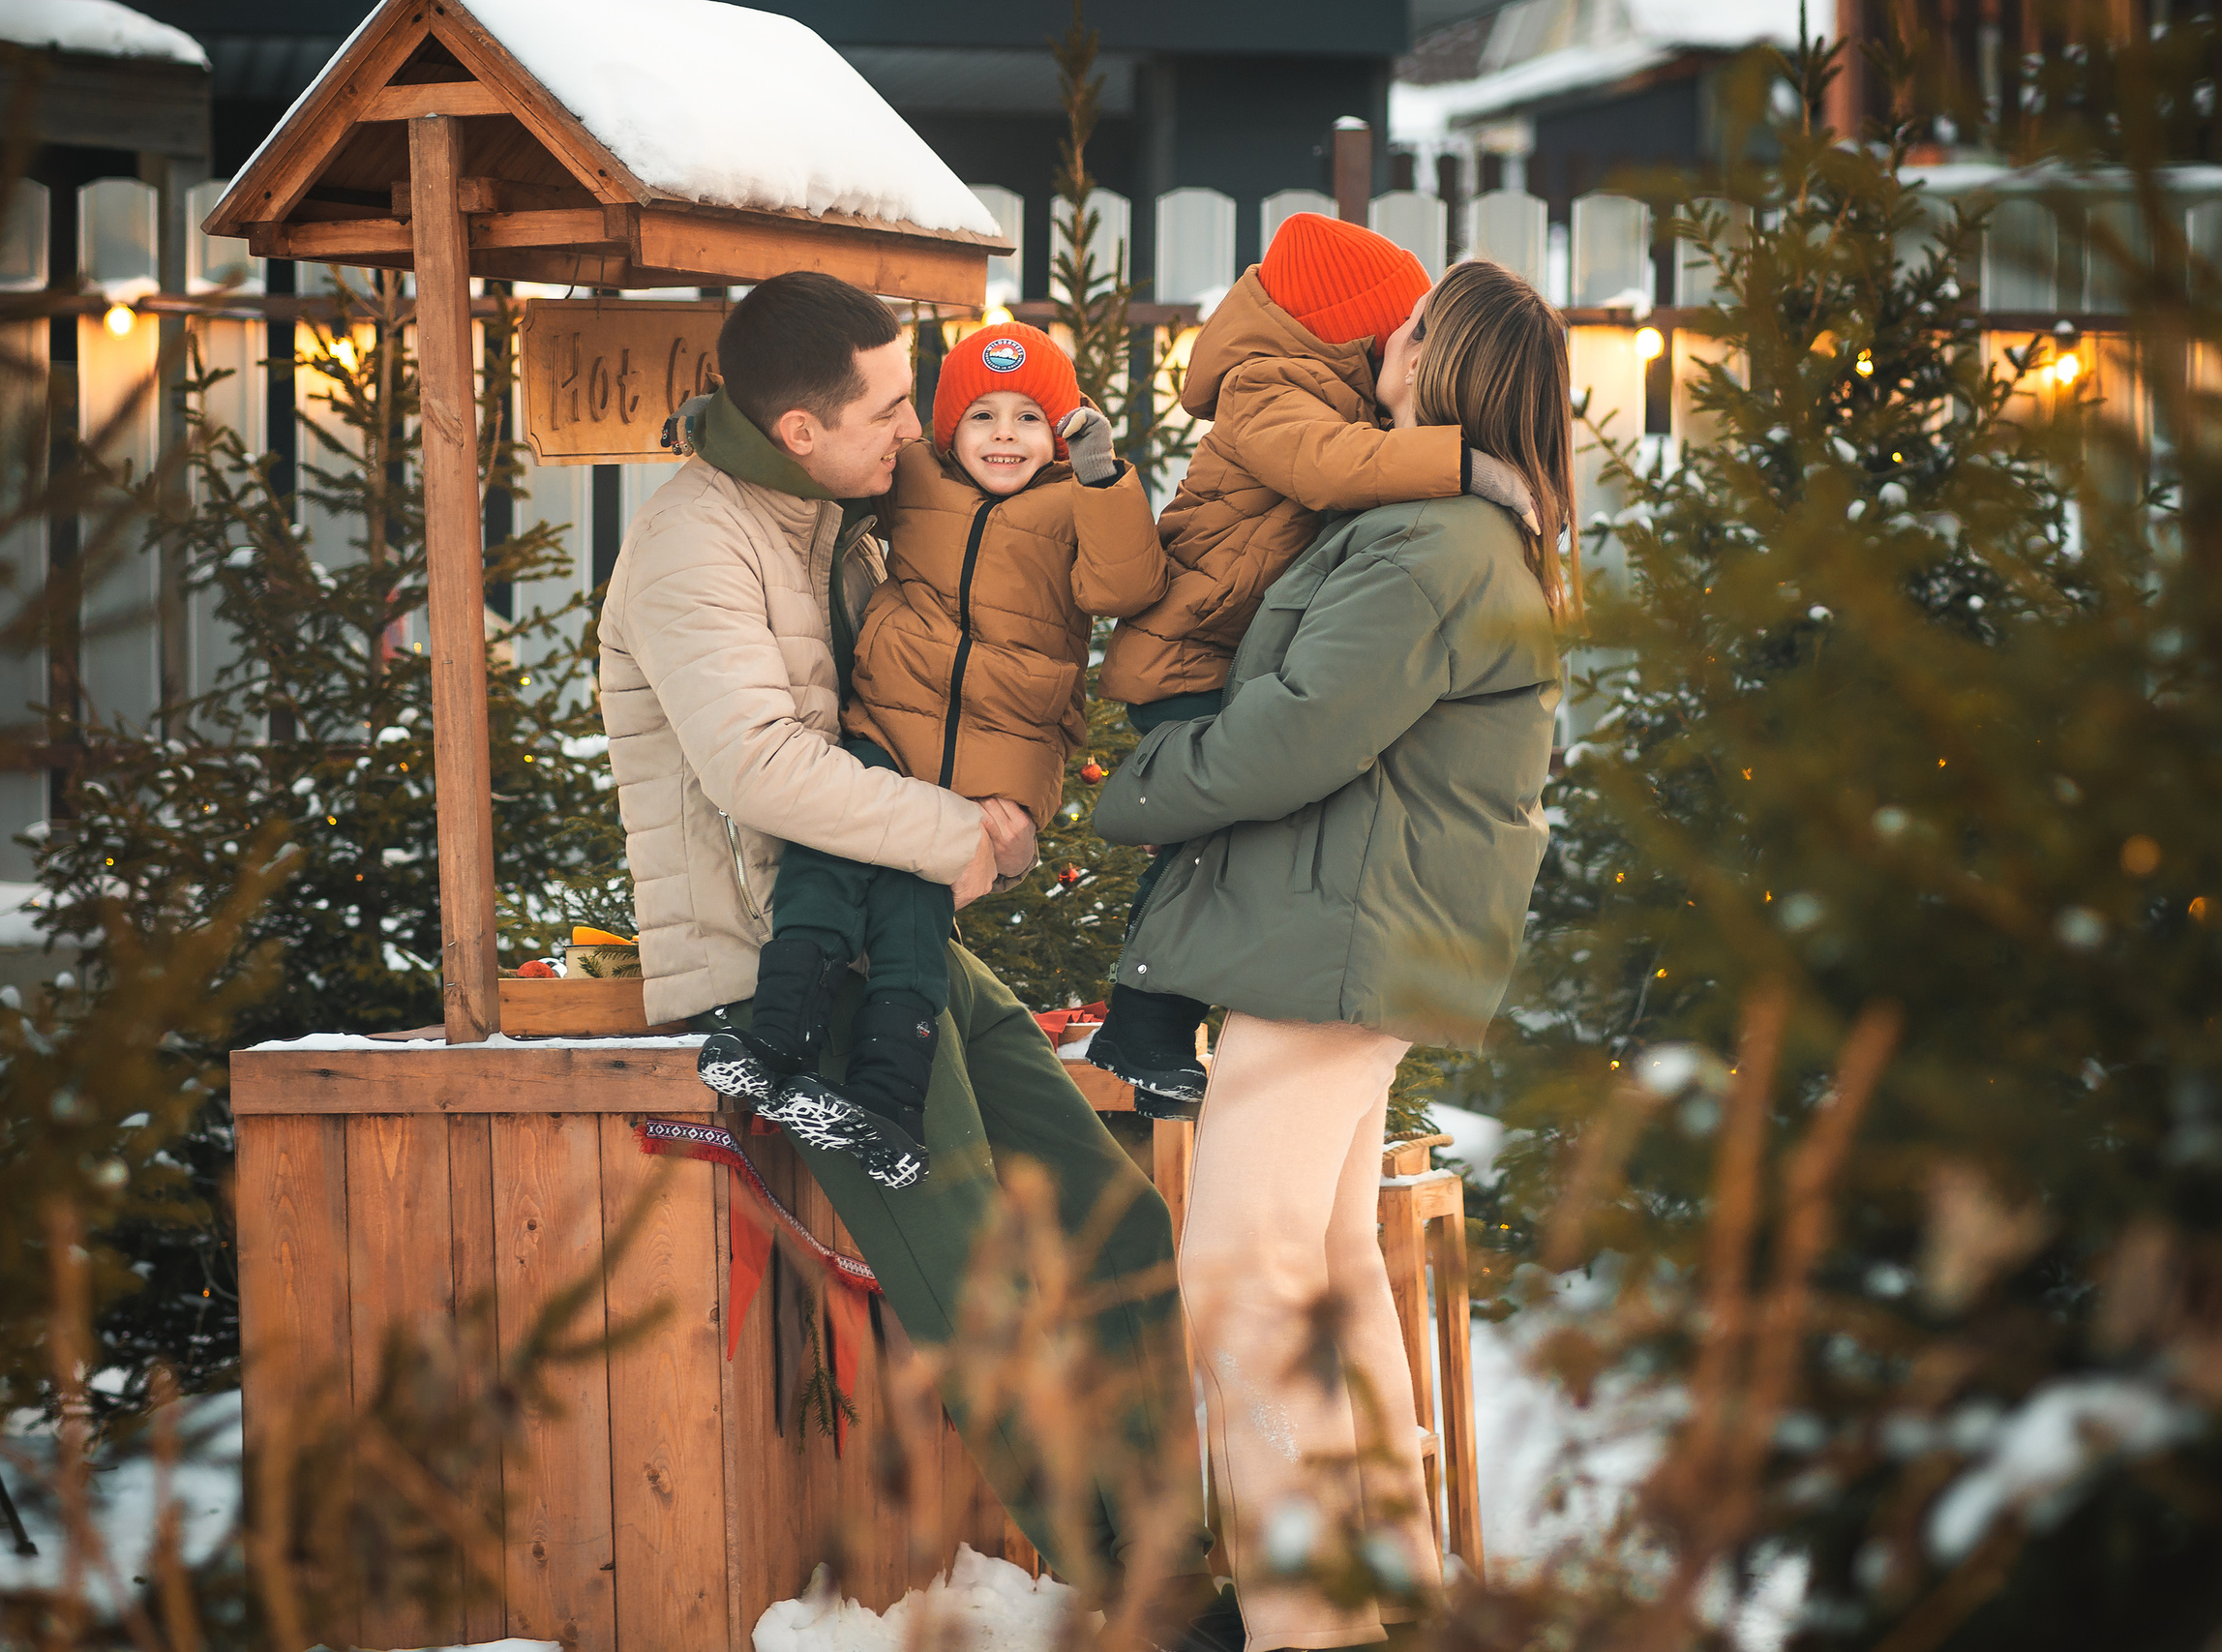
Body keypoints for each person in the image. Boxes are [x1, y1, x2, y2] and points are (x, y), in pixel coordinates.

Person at [597, 271, 1229, 1641]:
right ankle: (1146, 1590)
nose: (917, 430)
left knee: (1115, 1216)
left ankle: (1184, 1538)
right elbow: (758, 765)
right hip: (781, 965)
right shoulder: (696, 546)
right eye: (892, 407)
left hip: (904, 935)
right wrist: (960, 829)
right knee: (975, 1281)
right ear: (803, 424)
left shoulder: (833, 517)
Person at [1090, 259, 1576, 1651]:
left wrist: (1128, 789)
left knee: (1244, 1275)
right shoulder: (1442, 528)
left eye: (1409, 330)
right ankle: (1383, 1596)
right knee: (1324, 1261)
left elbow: (1301, 727)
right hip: (1357, 939)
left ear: (1450, 366)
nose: (1383, 342)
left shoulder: (1433, 547)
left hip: (1338, 944)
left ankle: (1306, 1617)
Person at [697, 321, 1167, 1190]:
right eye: (981, 415)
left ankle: (890, 1103)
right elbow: (815, 463)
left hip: (995, 763)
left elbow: (1127, 585)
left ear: (1060, 434)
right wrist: (715, 428)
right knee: (823, 868)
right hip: (886, 727)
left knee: (913, 926)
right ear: (943, 429)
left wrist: (1104, 479)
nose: (1002, 435)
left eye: (1030, 417)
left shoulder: (1075, 506)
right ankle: (774, 1037)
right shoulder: (914, 479)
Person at [1085, 213, 1535, 1120]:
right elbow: (1333, 472)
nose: (1406, 342)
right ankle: (1143, 1027)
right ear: (1351, 327)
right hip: (1189, 653)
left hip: (1223, 644)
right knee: (1200, 839)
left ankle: (1149, 1026)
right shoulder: (1275, 389)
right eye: (1402, 323)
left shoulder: (1355, 427)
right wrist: (1464, 461)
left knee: (1212, 837)